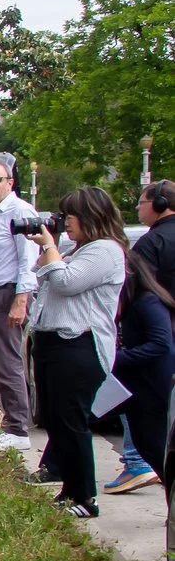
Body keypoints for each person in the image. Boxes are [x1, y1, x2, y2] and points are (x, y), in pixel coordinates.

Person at [28, 187, 127, 519]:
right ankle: (69, 490)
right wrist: (49, 250)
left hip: (79, 346)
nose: (64, 222)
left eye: (69, 216)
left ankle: (85, 497)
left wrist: (50, 247)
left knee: (71, 423)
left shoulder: (106, 251)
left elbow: (67, 283)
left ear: (92, 217)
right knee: (55, 421)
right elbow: (42, 276)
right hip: (55, 344)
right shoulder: (79, 248)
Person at [105, 180, 175, 492]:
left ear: (160, 204)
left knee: (144, 407)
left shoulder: (151, 243)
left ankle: (136, 461)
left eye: (142, 202)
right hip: (164, 335)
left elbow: (135, 288)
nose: (138, 208)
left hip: (155, 336)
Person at [0, 161, 42, 453]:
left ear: (10, 182)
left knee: (8, 363)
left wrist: (21, 299)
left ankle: (17, 428)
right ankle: (10, 423)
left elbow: (28, 259)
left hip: (7, 294)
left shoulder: (20, 213)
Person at [112, 240, 175, 508]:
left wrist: (118, 358)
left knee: (157, 449)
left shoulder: (146, 302)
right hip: (138, 391)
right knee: (147, 446)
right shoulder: (129, 303)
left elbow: (161, 344)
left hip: (155, 389)